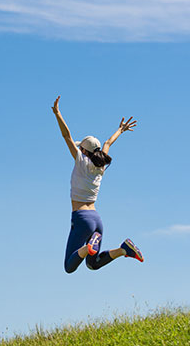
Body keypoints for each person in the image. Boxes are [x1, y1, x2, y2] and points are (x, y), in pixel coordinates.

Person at [52, 95, 144, 274]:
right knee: (92, 264)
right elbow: (108, 142)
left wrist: (57, 113)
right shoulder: (100, 166)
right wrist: (120, 130)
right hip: (96, 220)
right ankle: (123, 249)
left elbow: (66, 135)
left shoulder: (81, 160)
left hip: (82, 219)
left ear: (83, 151)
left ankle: (88, 247)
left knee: (69, 267)